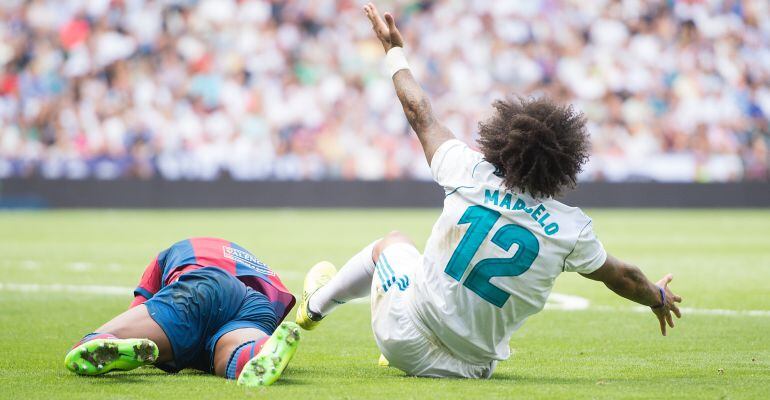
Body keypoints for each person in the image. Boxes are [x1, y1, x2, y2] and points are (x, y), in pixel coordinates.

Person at [295, 3, 684, 379]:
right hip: (470, 369)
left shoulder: (469, 171)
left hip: (403, 338)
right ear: (564, 164)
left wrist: (394, 50)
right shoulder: (570, 230)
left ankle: (313, 308)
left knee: (392, 242)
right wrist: (657, 297)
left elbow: (420, 113)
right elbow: (625, 276)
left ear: (504, 141)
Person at [64, 237, 300, 387]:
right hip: (260, 307)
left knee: (111, 336)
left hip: (207, 286)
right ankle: (256, 353)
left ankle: (101, 340)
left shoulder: (169, 254)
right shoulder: (255, 263)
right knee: (232, 349)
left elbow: (140, 309)